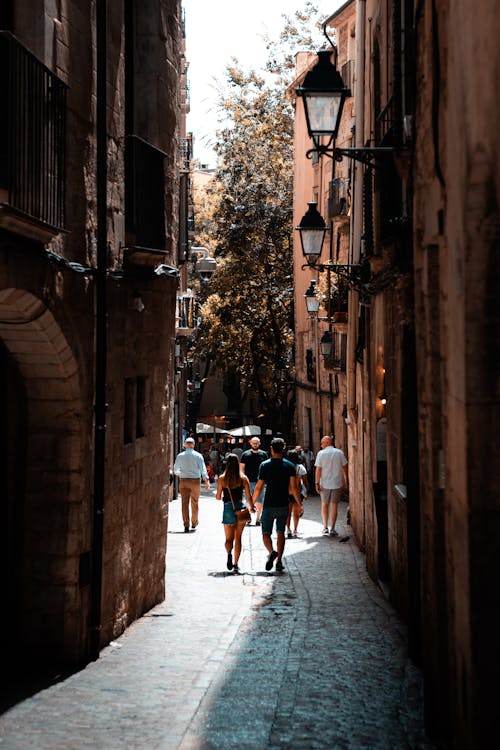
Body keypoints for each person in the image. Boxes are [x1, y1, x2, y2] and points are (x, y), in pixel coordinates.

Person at [252, 437, 301, 573]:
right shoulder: (290, 466)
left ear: (271, 449)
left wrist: (251, 502)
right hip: (283, 504)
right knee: (281, 532)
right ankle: (279, 561)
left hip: (268, 504)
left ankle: (271, 551)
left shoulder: (265, 465)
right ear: (283, 448)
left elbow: (259, 487)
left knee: (266, 533)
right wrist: (299, 504)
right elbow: (293, 489)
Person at [215, 454, 255, 573]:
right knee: (238, 538)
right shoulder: (243, 478)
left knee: (228, 539)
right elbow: (248, 497)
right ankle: (236, 564)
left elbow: (218, 497)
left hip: (228, 508)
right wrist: (252, 507)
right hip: (240, 509)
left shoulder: (222, 478)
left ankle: (229, 554)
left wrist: (219, 495)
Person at [173, 437, 210, 532]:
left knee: (184, 503)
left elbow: (176, 470)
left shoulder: (180, 456)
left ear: (185, 445)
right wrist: (207, 481)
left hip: (184, 480)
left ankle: (186, 524)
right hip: (195, 481)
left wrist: (181, 474)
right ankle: (194, 522)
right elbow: (203, 469)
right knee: (195, 502)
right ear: (193, 445)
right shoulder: (198, 456)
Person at [314, 435, 348, 537]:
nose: (321, 445)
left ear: (327, 443)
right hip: (337, 483)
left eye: (322, 443)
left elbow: (318, 469)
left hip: (324, 483)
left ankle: (325, 527)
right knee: (334, 505)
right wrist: (347, 480)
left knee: (324, 504)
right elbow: (345, 467)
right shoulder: (339, 453)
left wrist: (316, 483)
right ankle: (332, 528)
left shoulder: (321, 454)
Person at [240, 436, 268, 525]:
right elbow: (241, 468)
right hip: (248, 481)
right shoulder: (245, 454)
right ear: (250, 443)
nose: (255, 444)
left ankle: (258, 519)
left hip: (260, 481)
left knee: (260, 500)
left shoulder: (264, 454)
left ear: (259, 443)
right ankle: (248, 517)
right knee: (248, 499)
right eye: (253, 443)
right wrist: (242, 479)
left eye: (257, 443)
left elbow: (267, 468)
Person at [285, 449, 307, 538]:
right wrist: (306, 492)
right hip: (298, 492)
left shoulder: (285, 467)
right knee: (296, 513)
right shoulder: (301, 467)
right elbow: (305, 481)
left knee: (288, 513)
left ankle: (288, 529)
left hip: (287, 492)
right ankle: (295, 530)